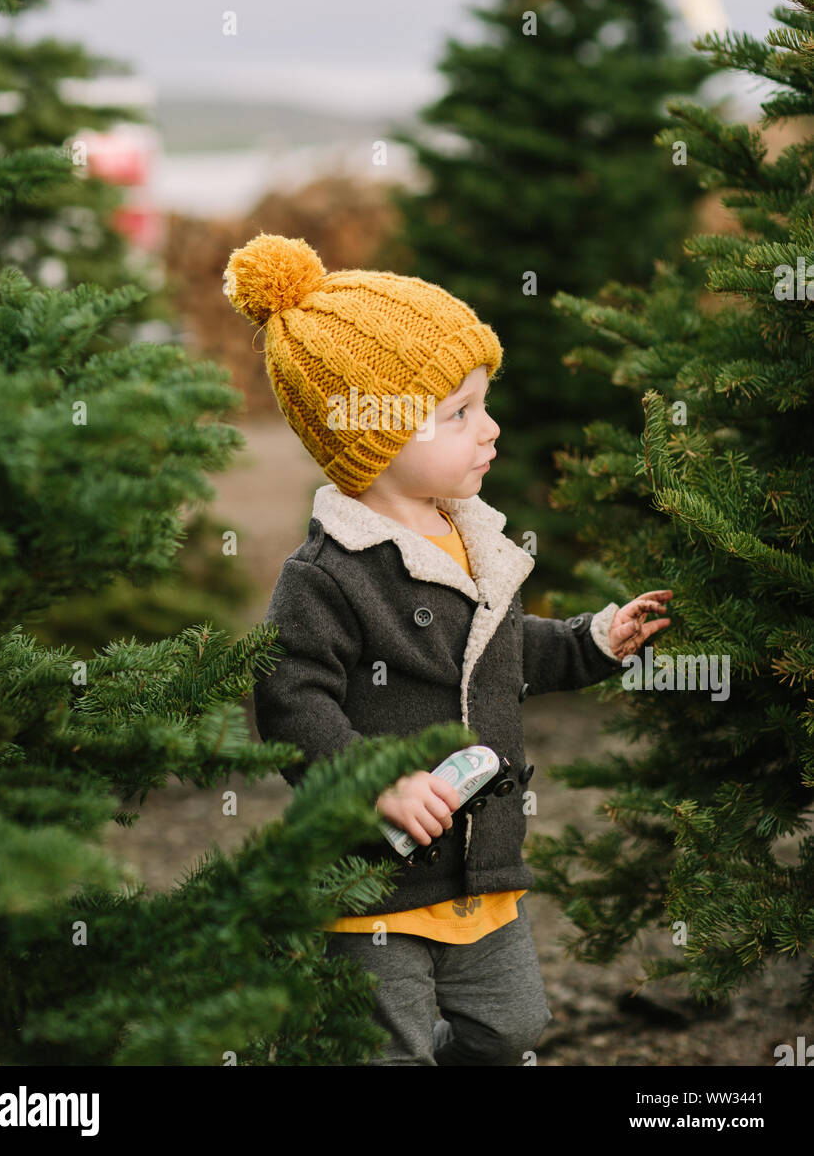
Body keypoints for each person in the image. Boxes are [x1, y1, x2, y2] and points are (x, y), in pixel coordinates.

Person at [223, 232, 672, 1067]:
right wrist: (376, 783)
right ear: (373, 433)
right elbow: (291, 703)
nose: (490, 428)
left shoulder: (474, 541)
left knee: (513, 1029)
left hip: (482, 869)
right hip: (377, 884)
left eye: (484, 403)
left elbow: (501, 654)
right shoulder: (327, 574)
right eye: (459, 412)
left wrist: (592, 641)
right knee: (384, 1047)